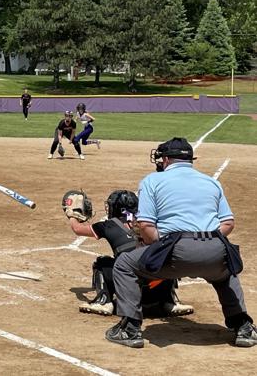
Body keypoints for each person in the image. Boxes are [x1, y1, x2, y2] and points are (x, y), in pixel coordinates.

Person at [106, 137, 257, 348]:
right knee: (226, 271)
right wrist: (207, 242)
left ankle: (130, 328)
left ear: (166, 160)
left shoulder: (152, 181)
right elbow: (228, 223)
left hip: (175, 249)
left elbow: (146, 225)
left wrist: (163, 245)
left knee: (124, 265)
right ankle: (243, 326)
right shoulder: (212, 182)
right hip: (214, 247)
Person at [65, 189, 194, 317]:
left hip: (130, 290)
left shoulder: (108, 225)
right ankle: (170, 301)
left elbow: (77, 229)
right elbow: (130, 217)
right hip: (155, 290)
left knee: (102, 262)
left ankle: (104, 302)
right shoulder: (147, 223)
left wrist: (73, 214)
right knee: (163, 255)